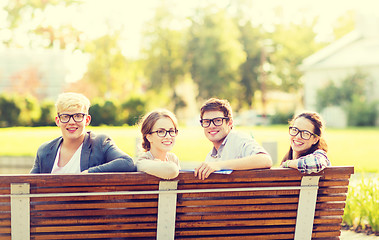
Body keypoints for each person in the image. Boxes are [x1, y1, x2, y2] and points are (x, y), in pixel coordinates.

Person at [30, 92, 136, 174]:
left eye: (78, 116)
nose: (71, 122)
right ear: (58, 121)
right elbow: (27, 185)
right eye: (65, 117)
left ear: (87, 120)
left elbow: (127, 162)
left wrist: (89, 173)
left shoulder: (100, 143)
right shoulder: (45, 150)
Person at [194, 98, 272, 180]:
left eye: (217, 120)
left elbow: (265, 160)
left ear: (230, 122)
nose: (211, 126)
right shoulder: (210, 156)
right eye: (206, 121)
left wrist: (219, 165)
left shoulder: (239, 139)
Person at [135, 109, 180, 179]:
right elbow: (172, 170)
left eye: (171, 131)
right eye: (161, 131)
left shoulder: (173, 158)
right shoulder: (142, 161)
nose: (168, 136)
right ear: (149, 137)